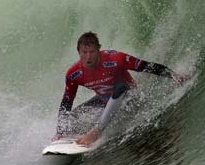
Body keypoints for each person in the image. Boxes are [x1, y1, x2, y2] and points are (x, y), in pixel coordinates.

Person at [54, 31, 189, 146]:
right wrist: (60, 130)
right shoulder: (74, 74)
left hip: (130, 99)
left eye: (92, 52)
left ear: (98, 50)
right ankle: (65, 137)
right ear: (78, 51)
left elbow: (147, 66)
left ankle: (96, 131)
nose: (88, 56)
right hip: (106, 101)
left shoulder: (116, 58)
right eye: (84, 52)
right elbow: (67, 101)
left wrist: (174, 75)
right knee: (74, 116)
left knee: (120, 86)